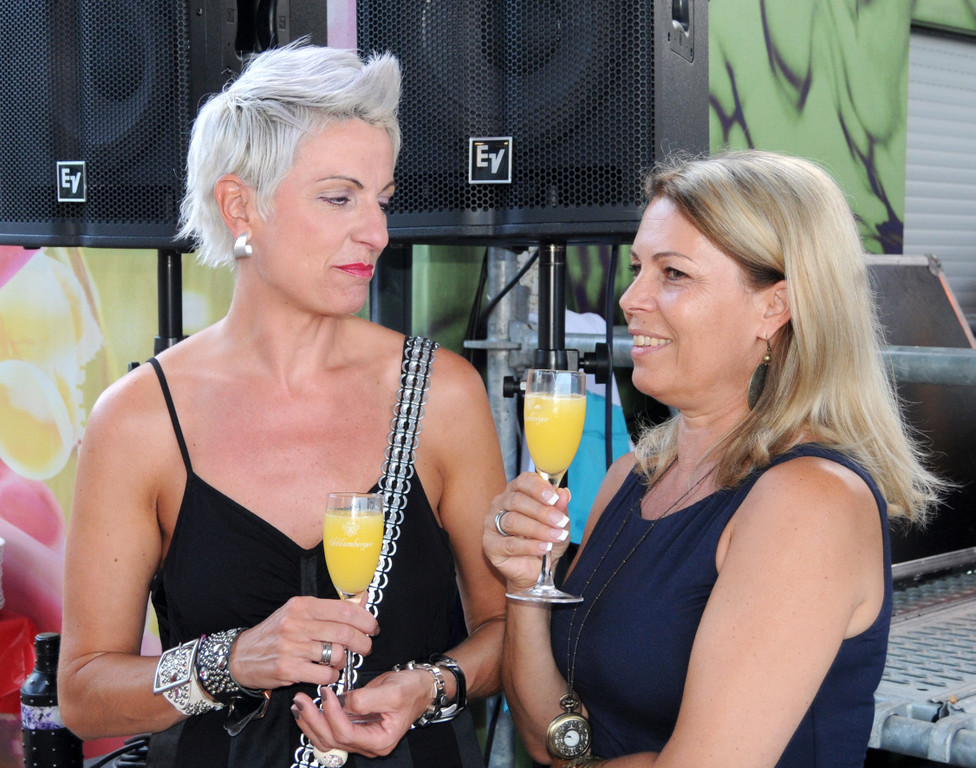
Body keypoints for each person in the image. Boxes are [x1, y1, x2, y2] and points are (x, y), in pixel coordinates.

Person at [58, 42, 507, 768]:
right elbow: (83, 695)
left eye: (382, 199)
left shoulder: (441, 394)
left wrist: (430, 685)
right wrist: (233, 660)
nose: (377, 232)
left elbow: (509, 633)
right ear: (241, 206)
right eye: (339, 197)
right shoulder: (140, 419)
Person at [484, 149, 945, 768]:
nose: (631, 298)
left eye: (673, 273)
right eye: (638, 268)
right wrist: (523, 586)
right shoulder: (632, 478)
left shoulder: (811, 501)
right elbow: (556, 741)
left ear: (773, 307)